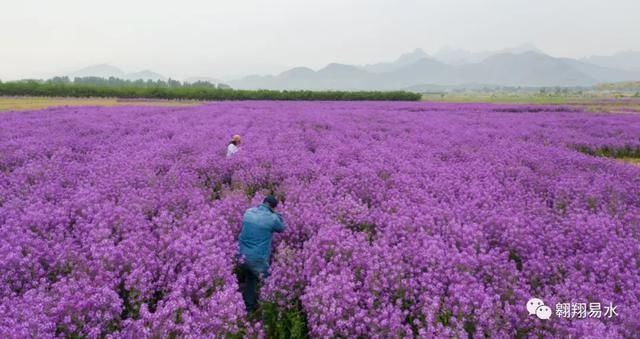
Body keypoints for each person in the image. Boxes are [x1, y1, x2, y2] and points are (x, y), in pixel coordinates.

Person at [238, 196, 285, 313]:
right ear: (273, 207)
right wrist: (278, 215)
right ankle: (271, 311)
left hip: (242, 256)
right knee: (271, 283)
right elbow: (282, 228)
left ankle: (248, 309)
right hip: (257, 259)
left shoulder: (248, 212)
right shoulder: (272, 218)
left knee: (250, 278)